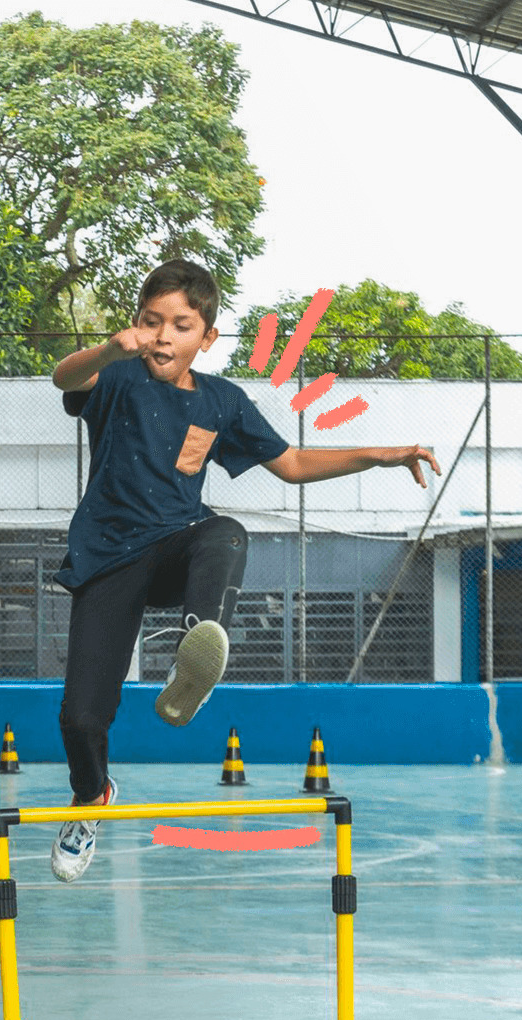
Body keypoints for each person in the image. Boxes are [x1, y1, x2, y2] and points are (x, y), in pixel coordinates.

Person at [47, 258, 440, 883]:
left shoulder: (222, 401)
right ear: (135, 326)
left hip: (176, 548)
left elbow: (293, 463)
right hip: (107, 562)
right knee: (80, 719)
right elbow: (63, 376)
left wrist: (379, 455)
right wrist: (105, 349)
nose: (162, 337)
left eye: (180, 326)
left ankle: (196, 647)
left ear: (207, 338)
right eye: (151, 323)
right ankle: (91, 796)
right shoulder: (116, 376)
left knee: (225, 531)